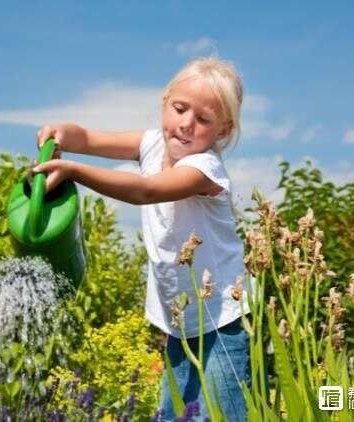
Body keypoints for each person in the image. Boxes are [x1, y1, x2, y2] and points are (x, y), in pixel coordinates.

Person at [34, 57, 250, 421]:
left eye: (203, 119)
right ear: (165, 103)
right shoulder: (150, 145)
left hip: (221, 324)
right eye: (180, 109)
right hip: (180, 325)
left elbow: (146, 191)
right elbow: (85, 138)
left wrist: (72, 170)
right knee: (173, 415)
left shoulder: (204, 169)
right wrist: (61, 134)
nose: (186, 124)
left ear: (223, 131)